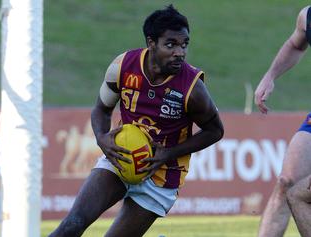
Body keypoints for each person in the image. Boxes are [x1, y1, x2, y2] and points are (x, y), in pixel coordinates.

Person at [48, 4, 224, 237]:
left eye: (184, 44)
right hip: (120, 159)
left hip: (161, 176)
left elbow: (215, 131)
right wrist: (101, 138)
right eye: (170, 44)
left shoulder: (193, 89)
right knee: (72, 224)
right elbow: (101, 109)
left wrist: (169, 153)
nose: (180, 52)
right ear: (151, 43)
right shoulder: (122, 67)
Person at [254, 5, 311, 237]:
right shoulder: (307, 16)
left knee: (302, 195)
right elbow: (295, 45)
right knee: (287, 182)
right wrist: (271, 76)